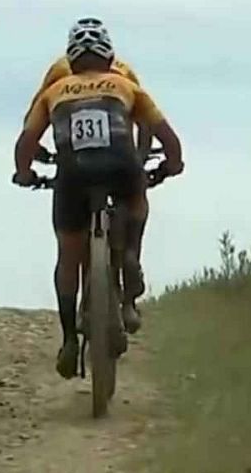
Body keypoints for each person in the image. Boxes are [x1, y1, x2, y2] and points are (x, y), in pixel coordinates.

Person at [13, 23, 184, 379]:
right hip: (121, 162)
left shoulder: (55, 87)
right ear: (109, 57)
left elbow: (26, 141)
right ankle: (132, 253)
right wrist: (171, 164)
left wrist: (25, 172)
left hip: (72, 171)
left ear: (71, 61)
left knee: (68, 254)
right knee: (135, 200)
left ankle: (68, 340)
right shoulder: (125, 83)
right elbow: (164, 135)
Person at [24, 18, 157, 320]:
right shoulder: (124, 73)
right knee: (135, 203)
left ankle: (72, 330)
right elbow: (143, 119)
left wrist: (37, 158)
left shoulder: (59, 73)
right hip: (121, 154)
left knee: (71, 242)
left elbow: (37, 115)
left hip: (73, 161)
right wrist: (141, 157)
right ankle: (128, 292)